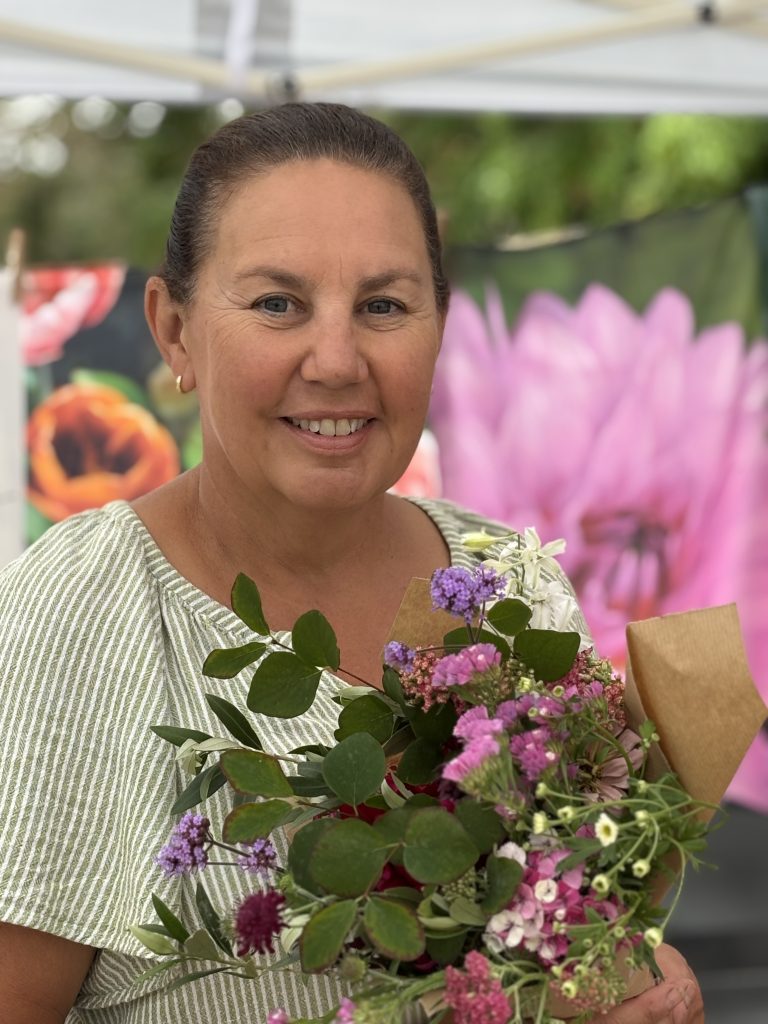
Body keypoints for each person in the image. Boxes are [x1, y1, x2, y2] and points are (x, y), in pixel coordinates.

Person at [0, 103, 703, 1024]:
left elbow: (570, 933)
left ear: (439, 326)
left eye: (383, 306)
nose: (336, 360)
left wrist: (625, 979)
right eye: (277, 304)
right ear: (174, 330)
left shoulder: (510, 583)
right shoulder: (83, 607)